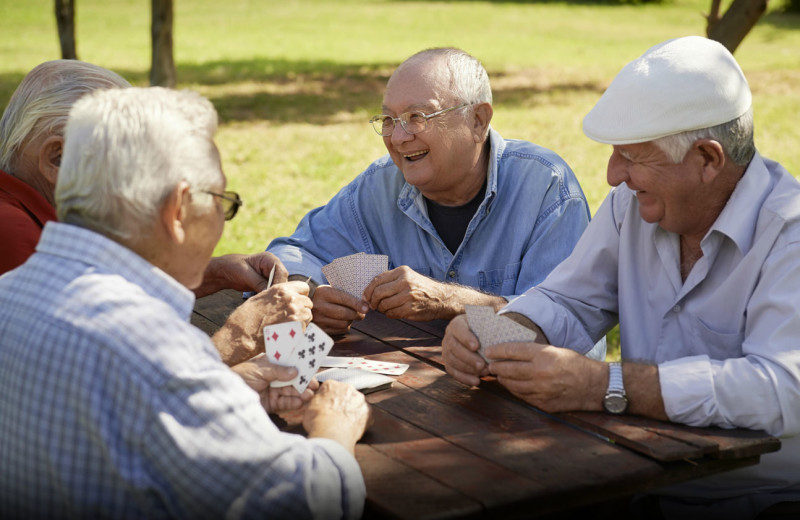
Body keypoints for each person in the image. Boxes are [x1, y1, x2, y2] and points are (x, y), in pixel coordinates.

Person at [442, 36, 800, 519]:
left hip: (762, 500)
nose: (613, 175)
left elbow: (782, 388)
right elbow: (569, 300)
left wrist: (607, 385)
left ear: (708, 160)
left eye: (633, 156)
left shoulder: (789, 233)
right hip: (638, 478)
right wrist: (496, 330)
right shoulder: (631, 206)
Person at [0, 87, 370, 518]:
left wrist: (229, 392)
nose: (220, 224)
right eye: (221, 203)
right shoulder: (155, 347)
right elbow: (307, 501)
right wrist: (335, 422)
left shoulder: (11, 290)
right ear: (177, 209)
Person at [267, 48, 600, 355]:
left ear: (478, 121)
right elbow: (295, 252)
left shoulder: (545, 187)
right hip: (413, 399)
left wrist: (452, 301)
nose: (398, 138)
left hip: (520, 408)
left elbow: (566, 328)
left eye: (417, 116)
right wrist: (308, 294)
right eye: (388, 120)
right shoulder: (380, 185)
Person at [0, 59, 289, 298]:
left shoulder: (42, 215)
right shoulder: (15, 234)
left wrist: (215, 272)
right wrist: (242, 336)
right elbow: (105, 344)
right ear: (56, 159)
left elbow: (113, 290)